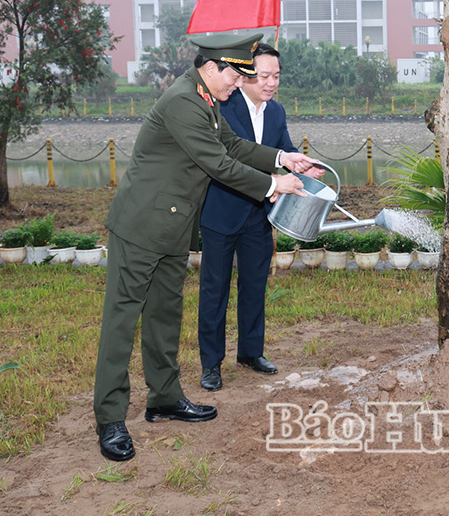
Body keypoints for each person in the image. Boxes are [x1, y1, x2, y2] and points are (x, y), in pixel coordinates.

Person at [93, 32, 321, 463]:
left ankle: (164, 397)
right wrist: (274, 185)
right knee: (121, 323)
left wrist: (282, 159)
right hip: (141, 226)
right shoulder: (184, 101)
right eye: (236, 75)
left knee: (164, 315)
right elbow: (217, 163)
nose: (240, 83)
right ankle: (109, 418)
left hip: (173, 226)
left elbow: (231, 145)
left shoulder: (206, 98)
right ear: (213, 67)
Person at [198, 43, 303, 391]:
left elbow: (283, 150)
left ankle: (251, 352)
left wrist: (301, 165)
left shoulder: (276, 112)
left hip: (260, 213)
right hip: (222, 211)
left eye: (276, 76)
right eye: (264, 76)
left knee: (255, 286)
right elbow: (228, 160)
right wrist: (273, 177)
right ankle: (211, 364)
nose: (271, 83)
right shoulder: (223, 107)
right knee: (214, 291)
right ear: (244, 76)